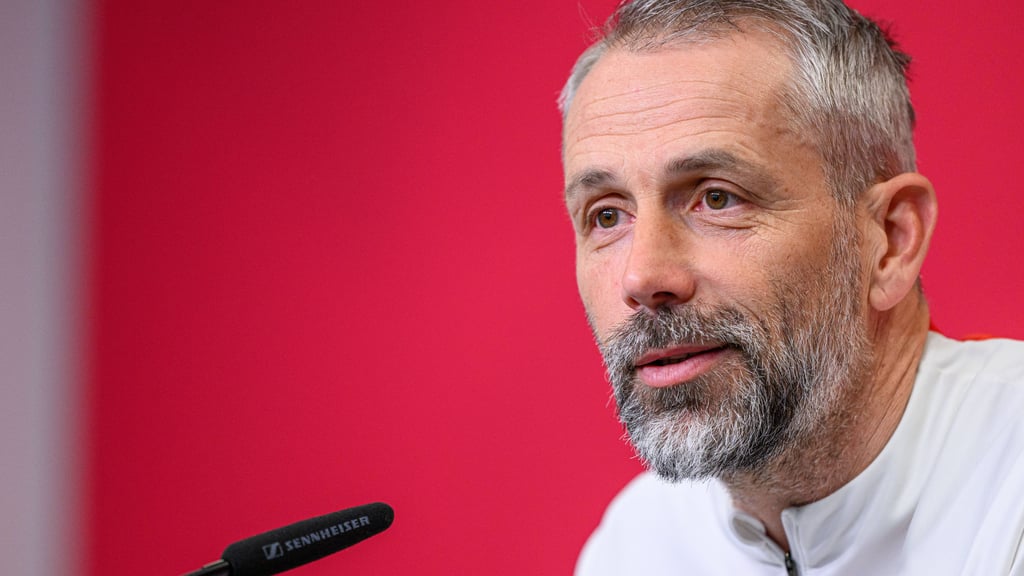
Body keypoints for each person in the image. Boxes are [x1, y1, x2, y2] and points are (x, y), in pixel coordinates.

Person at [558, 1, 1024, 574]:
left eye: (718, 197)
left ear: (890, 241)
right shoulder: (636, 545)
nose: (643, 276)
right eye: (607, 217)